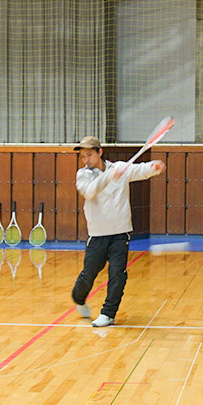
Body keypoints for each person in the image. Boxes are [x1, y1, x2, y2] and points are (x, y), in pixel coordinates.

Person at [71, 135, 165, 327]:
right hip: (97, 235)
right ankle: (78, 298)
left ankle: (108, 313)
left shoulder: (120, 168)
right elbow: (89, 191)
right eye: (82, 156)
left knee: (117, 274)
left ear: (100, 152)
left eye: (89, 154)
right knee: (89, 275)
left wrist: (154, 167)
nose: (86, 160)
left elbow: (140, 170)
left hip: (121, 233)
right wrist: (108, 177)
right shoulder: (83, 175)